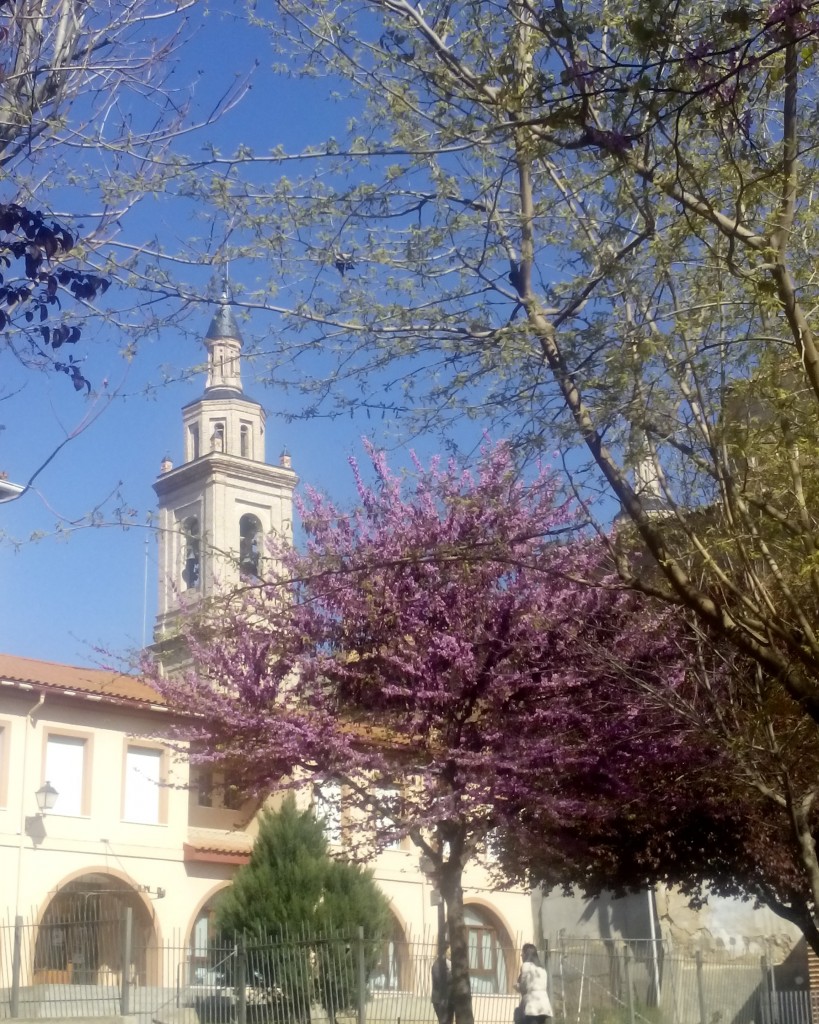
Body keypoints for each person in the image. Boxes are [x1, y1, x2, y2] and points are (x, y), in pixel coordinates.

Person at [516, 943, 552, 1024]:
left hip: (532, 1006)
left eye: (523, 952)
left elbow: (522, 986)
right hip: (544, 1006)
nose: (521, 955)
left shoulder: (526, 966)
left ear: (526, 954)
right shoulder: (542, 969)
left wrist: (517, 986)